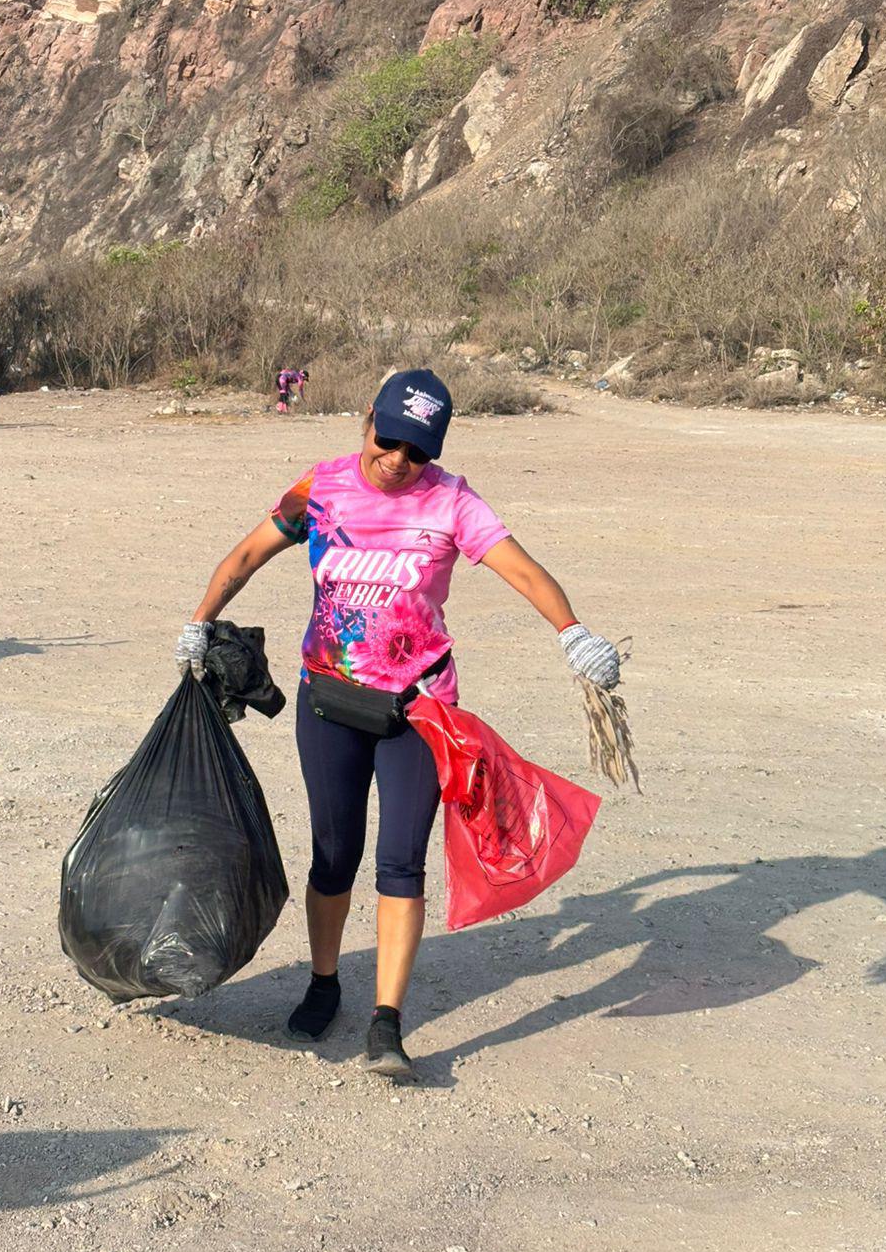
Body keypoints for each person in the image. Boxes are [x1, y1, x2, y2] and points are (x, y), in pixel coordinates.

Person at [176, 368, 621, 1083]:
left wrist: (574, 633)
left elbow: (525, 571)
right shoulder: (320, 488)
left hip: (420, 710)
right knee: (332, 854)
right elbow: (245, 557)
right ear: (367, 423)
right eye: (389, 441)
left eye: (417, 451)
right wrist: (197, 624)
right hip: (330, 700)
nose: (399, 460)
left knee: (401, 862)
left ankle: (386, 1022)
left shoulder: (450, 500)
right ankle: (324, 984)